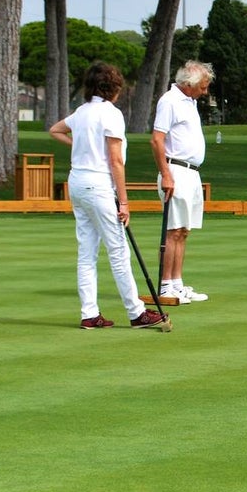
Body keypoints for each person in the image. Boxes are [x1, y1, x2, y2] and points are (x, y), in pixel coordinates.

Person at [49, 62, 167, 330]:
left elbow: (55, 130)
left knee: (87, 252)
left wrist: (79, 146)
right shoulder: (111, 114)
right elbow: (116, 162)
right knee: (118, 250)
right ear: (114, 88)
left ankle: (89, 314)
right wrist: (124, 201)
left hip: (77, 182)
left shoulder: (81, 112)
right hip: (99, 185)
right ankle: (136, 312)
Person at [151, 60, 213, 304]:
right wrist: (165, 174)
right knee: (173, 230)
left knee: (184, 231)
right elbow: (157, 140)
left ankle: (177, 283)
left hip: (192, 173)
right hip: (175, 170)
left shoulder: (190, 101)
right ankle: (165, 286)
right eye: (203, 87)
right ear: (189, 84)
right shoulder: (169, 101)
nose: (205, 92)